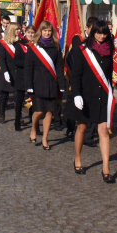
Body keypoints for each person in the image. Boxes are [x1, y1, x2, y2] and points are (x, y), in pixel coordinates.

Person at [71, 20, 116, 182]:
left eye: (104, 33)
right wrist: (76, 94)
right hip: (85, 94)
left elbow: (109, 75)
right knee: (82, 128)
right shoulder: (83, 49)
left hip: (103, 94)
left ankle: (106, 168)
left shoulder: (110, 49)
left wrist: (111, 93)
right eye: (98, 32)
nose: (102, 36)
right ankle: (77, 158)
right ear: (93, 32)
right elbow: (76, 74)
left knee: (103, 131)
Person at [25, 21, 66, 150]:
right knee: (39, 111)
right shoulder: (33, 46)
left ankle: (45, 138)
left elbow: (59, 66)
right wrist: (29, 85)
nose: (47, 33)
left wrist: (61, 83)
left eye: (49, 31)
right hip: (37, 82)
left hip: (51, 83)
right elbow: (28, 67)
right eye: (45, 30)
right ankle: (33, 129)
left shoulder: (56, 46)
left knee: (49, 112)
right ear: (40, 31)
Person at [12, 25, 35, 131]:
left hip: (32, 77)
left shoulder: (36, 45)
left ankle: (33, 120)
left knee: (31, 100)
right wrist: (28, 64)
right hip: (21, 76)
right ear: (25, 33)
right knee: (19, 100)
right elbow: (16, 61)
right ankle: (17, 122)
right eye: (29, 32)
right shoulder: (19, 44)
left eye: (32, 33)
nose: (30, 35)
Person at [0, 24, 20, 124]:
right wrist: (5, 72)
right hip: (6, 71)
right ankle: (2, 115)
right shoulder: (3, 43)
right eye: (17, 29)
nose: (19, 31)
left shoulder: (19, 42)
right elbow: (2, 59)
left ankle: (17, 117)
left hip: (17, 72)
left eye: (19, 29)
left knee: (17, 97)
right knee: (3, 96)